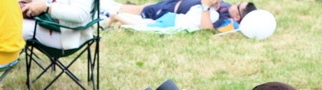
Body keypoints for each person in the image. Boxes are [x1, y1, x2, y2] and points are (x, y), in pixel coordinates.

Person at [101, 0, 256, 30]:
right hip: (175, 5)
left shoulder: (227, 22)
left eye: (237, 6)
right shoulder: (225, 7)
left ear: (237, 17)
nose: (233, 4)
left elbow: (206, 29)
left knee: (142, 12)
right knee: (144, 9)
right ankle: (109, 9)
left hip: (172, 13)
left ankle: (107, 9)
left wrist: (206, 6)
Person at [20, 0, 94, 48]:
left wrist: (47, 7)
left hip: (67, 34)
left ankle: (9, 59)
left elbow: (80, 14)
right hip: (49, 22)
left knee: (12, 26)